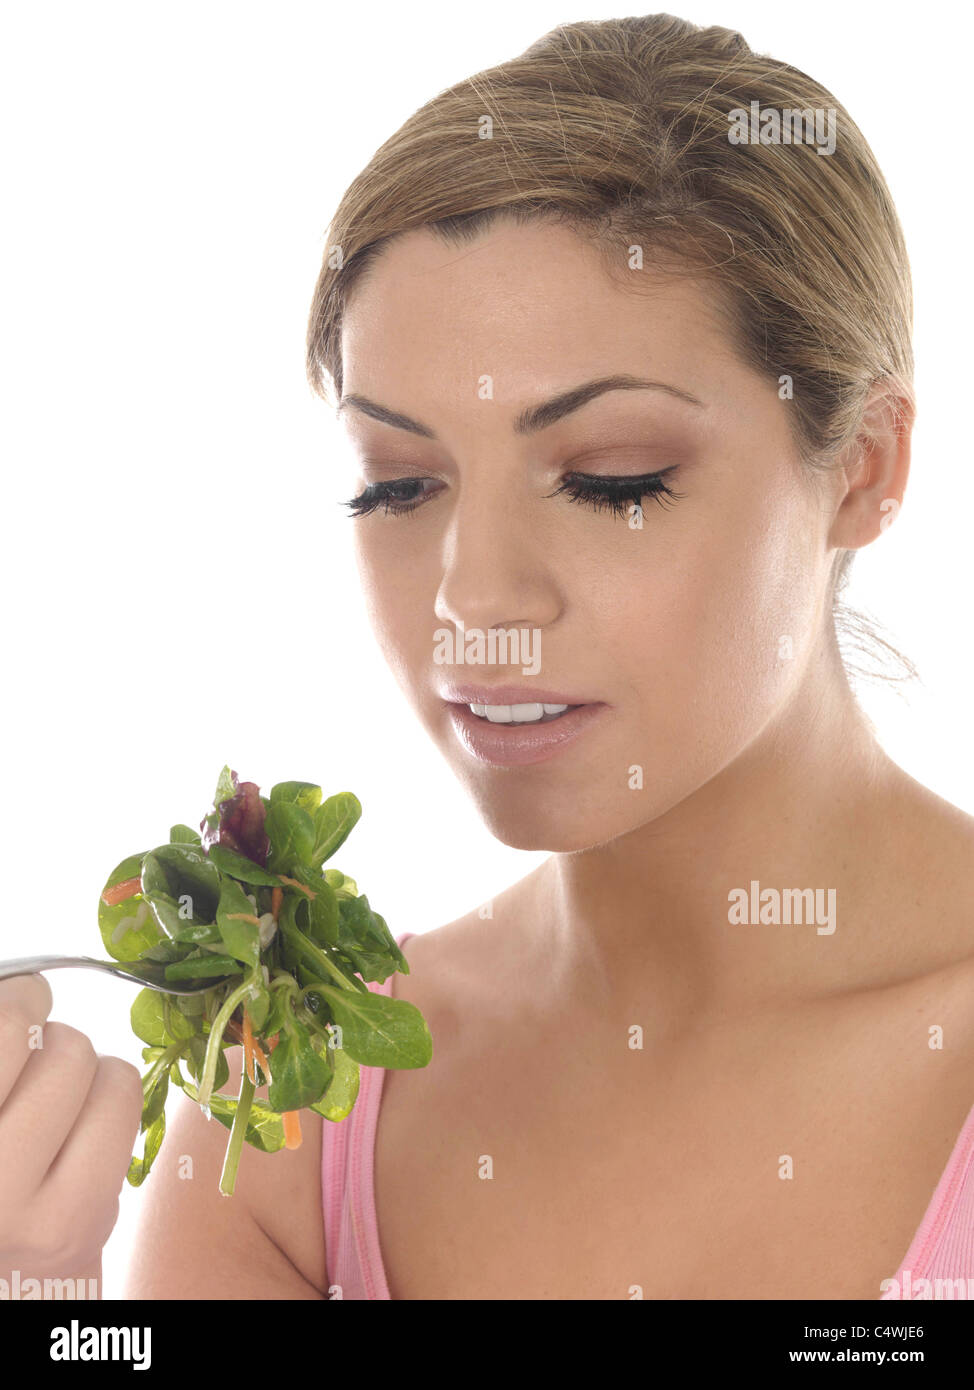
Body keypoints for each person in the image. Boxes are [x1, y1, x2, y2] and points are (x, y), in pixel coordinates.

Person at [4, 14, 972, 1301]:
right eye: (398, 488)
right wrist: (43, 1285)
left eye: (610, 479)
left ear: (860, 468)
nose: (474, 600)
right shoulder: (292, 1091)